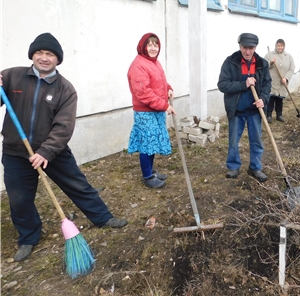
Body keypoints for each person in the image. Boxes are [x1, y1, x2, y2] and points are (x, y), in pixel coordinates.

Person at [1, 33, 128, 262]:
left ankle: (102, 217)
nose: (44, 58)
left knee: (78, 184)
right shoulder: (12, 77)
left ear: (58, 59)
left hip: (52, 151)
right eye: (39, 53)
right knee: (19, 198)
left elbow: (64, 126)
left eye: (50, 54)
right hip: (15, 151)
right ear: (32, 55)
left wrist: (46, 151)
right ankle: (28, 237)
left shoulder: (65, 89)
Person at [217, 33, 272, 182]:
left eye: (251, 48)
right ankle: (233, 167)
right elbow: (222, 85)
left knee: (257, 141)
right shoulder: (230, 62)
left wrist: (263, 99)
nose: (248, 51)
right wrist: (244, 84)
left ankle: (255, 167)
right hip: (237, 110)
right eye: (244, 48)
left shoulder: (262, 64)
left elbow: (267, 84)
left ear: (255, 48)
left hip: (255, 110)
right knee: (234, 140)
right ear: (240, 46)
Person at [127, 33, 176, 189]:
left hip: (156, 110)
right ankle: (147, 176)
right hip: (145, 112)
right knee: (147, 144)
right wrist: (164, 105)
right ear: (143, 46)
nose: (153, 48)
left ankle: (151, 171)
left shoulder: (154, 63)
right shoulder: (138, 65)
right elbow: (144, 93)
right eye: (150, 45)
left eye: (156, 45)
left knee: (152, 142)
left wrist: (168, 88)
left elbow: (161, 81)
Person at [264, 39, 295, 123]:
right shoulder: (269, 55)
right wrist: (270, 62)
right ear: (276, 46)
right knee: (271, 99)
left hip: (282, 82)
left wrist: (286, 78)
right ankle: (269, 115)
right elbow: (263, 66)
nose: (280, 47)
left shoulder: (288, 56)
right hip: (272, 81)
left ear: (284, 46)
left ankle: (279, 115)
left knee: (279, 100)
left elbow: (292, 68)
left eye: (281, 46)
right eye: (278, 45)